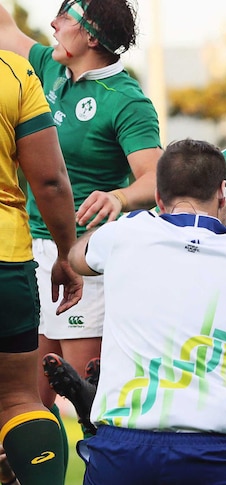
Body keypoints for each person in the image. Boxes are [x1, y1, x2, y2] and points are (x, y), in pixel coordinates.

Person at [67, 139, 226, 484]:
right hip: (210, 454)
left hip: (121, 449)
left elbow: (77, 258)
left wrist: (131, 221)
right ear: (223, 194)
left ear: (159, 196)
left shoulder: (124, 235)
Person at [0, 0, 163, 437]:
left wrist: (120, 195)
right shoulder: (46, 68)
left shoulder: (126, 100)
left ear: (91, 37)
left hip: (83, 262)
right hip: (27, 255)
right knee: (19, 407)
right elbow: (3, 26)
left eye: (65, 16)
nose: (52, 23)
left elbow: (157, 178)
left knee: (92, 408)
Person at [0, 48, 82, 485]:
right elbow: (50, 180)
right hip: (5, 256)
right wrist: (66, 255)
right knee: (17, 399)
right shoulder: (12, 70)